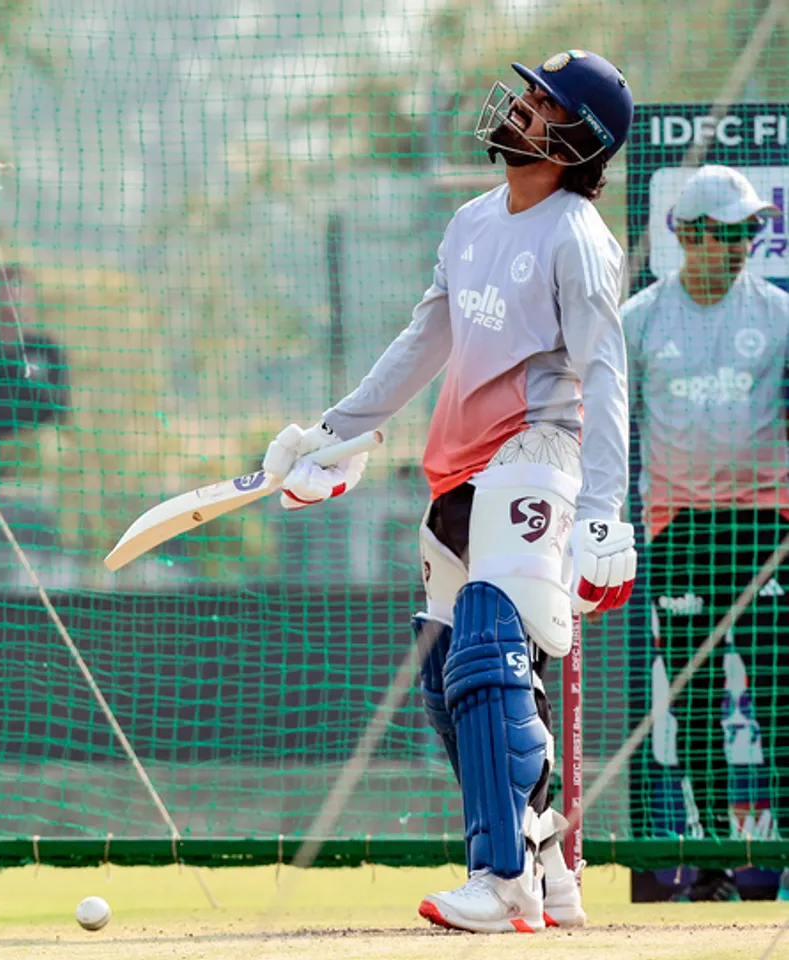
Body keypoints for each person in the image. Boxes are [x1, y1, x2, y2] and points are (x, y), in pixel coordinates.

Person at [264, 49, 637, 933]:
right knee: (446, 679)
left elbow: (605, 374)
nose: (519, 106)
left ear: (577, 138)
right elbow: (422, 338)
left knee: (484, 642)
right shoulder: (472, 222)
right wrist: (336, 430)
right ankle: (543, 858)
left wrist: (602, 511)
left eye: (542, 102)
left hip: (538, 449)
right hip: (457, 467)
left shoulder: (576, 239)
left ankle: (499, 878)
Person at [623, 165, 789, 901]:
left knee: (781, 693)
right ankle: (715, 862)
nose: (746, 242)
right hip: (681, 532)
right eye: (729, 230)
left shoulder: (780, 316)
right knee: (689, 699)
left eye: (752, 228)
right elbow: (598, 423)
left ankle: (781, 851)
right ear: (685, 235)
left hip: (769, 530)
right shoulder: (638, 321)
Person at [0, 264, 69, 457]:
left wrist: (34, 385)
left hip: (34, 453)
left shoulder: (46, 348)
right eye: (6, 286)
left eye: (19, 286)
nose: (13, 294)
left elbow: (60, 407)